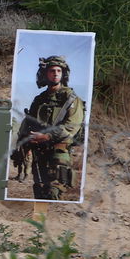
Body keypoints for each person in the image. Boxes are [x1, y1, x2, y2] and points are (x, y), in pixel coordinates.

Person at [10, 55, 85, 201]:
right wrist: (23, 143)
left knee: (54, 191)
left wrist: (47, 136)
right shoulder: (39, 99)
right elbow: (29, 122)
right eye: (52, 71)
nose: (55, 73)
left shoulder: (70, 98)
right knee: (39, 190)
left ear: (63, 74)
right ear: (46, 74)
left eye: (58, 71)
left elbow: (72, 126)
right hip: (39, 154)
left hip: (59, 151)